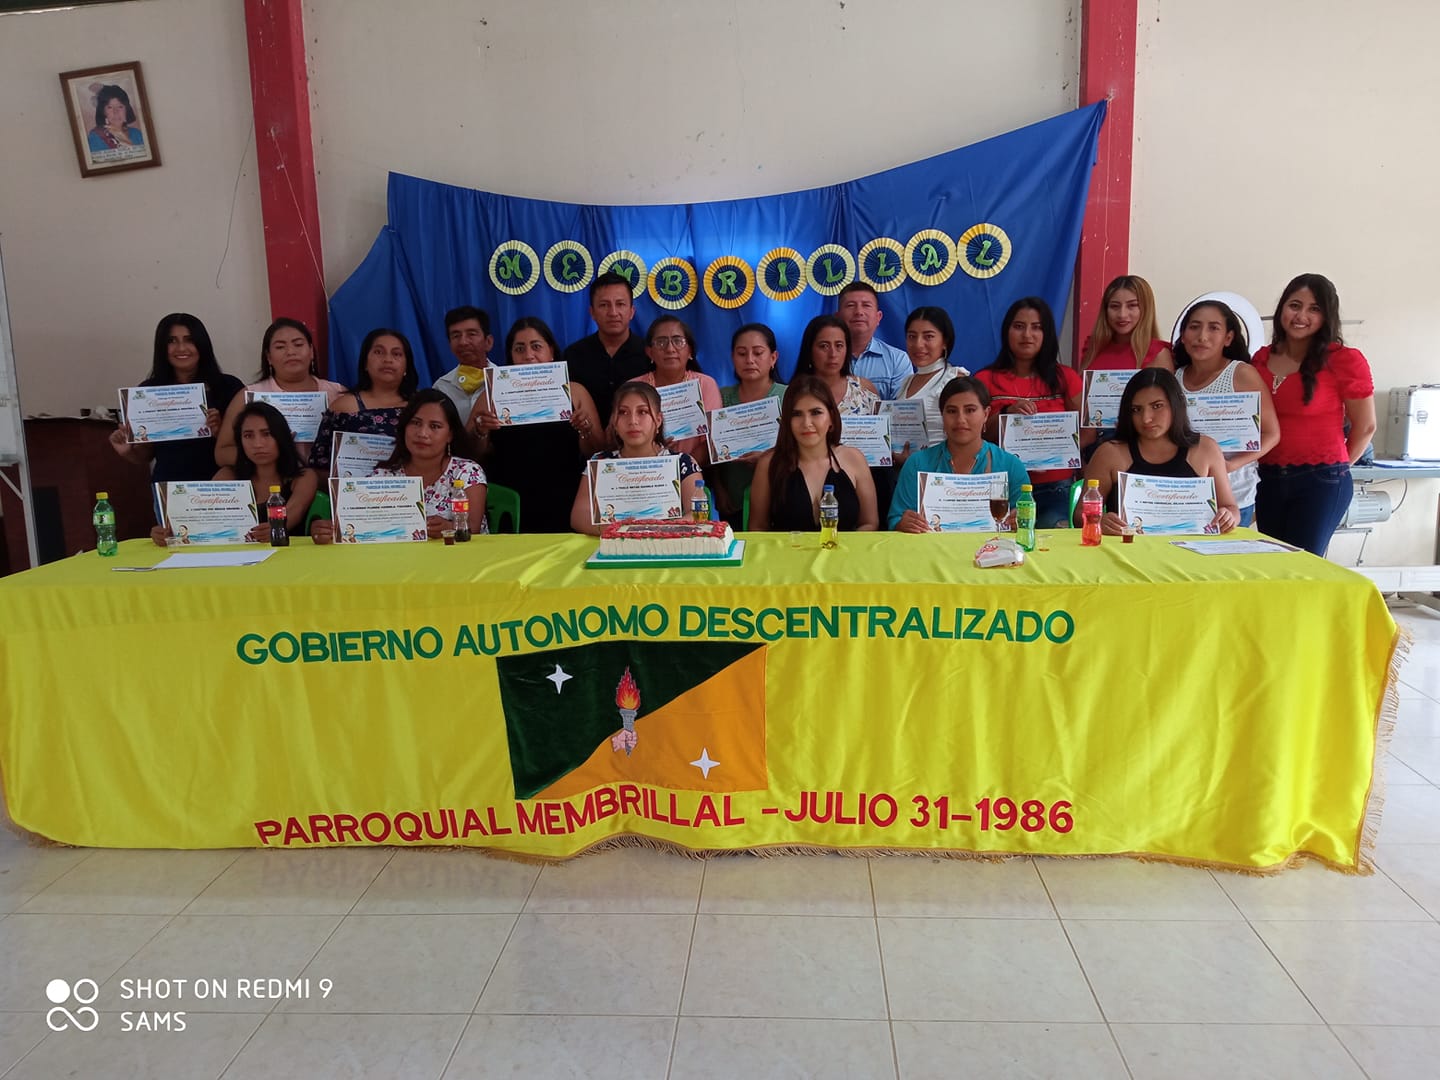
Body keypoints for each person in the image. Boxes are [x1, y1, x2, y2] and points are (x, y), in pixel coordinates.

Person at [1251, 274, 1375, 555]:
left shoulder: (1344, 360)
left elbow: (1366, 426)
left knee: (1304, 567)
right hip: (1269, 479)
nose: (1301, 316)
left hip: (1321, 481)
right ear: (1282, 308)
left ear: (1326, 316)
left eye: (1314, 309)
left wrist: (1336, 470)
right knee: (1272, 566)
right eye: (1295, 305)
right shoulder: (1260, 359)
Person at [470, 317, 605, 533]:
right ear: (511, 356)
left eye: (536, 346)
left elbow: (597, 453)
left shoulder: (575, 392)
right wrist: (480, 431)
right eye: (519, 349)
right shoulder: (492, 395)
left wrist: (585, 430)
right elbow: (472, 457)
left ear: (551, 351)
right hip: (511, 500)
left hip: (565, 497)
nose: (528, 355)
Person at [314, 390, 487, 542]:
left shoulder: (466, 473)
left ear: (450, 435)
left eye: (435, 426)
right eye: (416, 423)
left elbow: (474, 529)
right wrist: (327, 530)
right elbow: (354, 527)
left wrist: (450, 528)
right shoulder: (382, 477)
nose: (422, 433)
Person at [1081, 368, 1239, 534]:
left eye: (1157, 406)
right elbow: (1080, 515)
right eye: (1136, 409)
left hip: (1192, 548)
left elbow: (1231, 507)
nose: (1146, 418)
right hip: (1127, 548)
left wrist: (1229, 517)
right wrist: (1098, 521)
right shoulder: (1109, 453)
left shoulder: (1205, 449)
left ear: (1176, 404)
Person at [976, 297, 1084, 528]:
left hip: (1056, 487)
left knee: (1053, 538)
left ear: (1047, 334)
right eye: (1019, 326)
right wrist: (1006, 413)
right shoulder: (985, 379)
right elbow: (977, 434)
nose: (1027, 335)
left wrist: (1057, 453)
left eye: (1036, 327)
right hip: (1002, 487)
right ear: (1006, 331)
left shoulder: (1066, 377)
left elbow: (1088, 432)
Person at [1171, 299, 1280, 527]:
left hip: (1234, 496)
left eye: (1214, 328)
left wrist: (1231, 465)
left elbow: (1271, 434)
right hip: (1185, 499)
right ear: (1183, 335)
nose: (1202, 336)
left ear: (1228, 338)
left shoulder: (1241, 374)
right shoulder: (1174, 378)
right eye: (1194, 327)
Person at [151, 402, 316, 545]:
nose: (258, 444)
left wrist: (276, 528)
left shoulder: (303, 477)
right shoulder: (227, 476)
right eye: (248, 436)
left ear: (282, 437)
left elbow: (295, 510)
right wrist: (168, 532)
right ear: (240, 442)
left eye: (267, 434)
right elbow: (199, 517)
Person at [109, 313, 244, 487]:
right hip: (169, 487)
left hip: (221, 486)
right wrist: (128, 450)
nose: (181, 348)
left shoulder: (229, 387)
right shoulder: (147, 392)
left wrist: (220, 431)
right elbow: (146, 454)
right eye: (171, 341)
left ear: (202, 344)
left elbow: (249, 445)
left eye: (189, 340)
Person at [891, 377, 1030, 531]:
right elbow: (895, 518)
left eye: (970, 410)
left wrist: (1021, 520)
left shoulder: (1011, 465)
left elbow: (1026, 518)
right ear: (942, 415)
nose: (960, 419)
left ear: (986, 414)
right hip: (932, 546)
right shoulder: (917, 463)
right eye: (952, 411)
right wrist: (903, 523)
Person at [570, 381, 704, 536]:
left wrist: (658, 530)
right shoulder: (600, 462)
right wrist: (616, 529)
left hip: (667, 545)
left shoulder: (683, 463)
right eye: (623, 412)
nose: (632, 421)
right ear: (614, 422)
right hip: (613, 545)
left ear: (658, 420)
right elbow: (578, 516)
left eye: (643, 412)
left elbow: (698, 514)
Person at [749, 376, 878, 532]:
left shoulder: (854, 459)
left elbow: (869, 523)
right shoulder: (769, 463)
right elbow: (757, 527)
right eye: (796, 414)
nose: (806, 423)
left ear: (831, 417)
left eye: (816, 412)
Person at [215, 318, 347, 468]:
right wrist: (264, 455)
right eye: (280, 347)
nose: (291, 352)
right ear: (269, 357)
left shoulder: (338, 394)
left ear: (311, 351)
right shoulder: (248, 396)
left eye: (298, 344)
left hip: (326, 479)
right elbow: (222, 452)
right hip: (272, 479)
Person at [307, 328, 418, 477]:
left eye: (396, 354)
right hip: (352, 489)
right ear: (365, 363)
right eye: (378, 352)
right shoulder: (343, 407)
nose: (387, 359)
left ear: (407, 367)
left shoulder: (421, 407)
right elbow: (319, 465)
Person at [713, 323, 787, 524]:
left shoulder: (789, 396)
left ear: (773, 358)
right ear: (732, 358)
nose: (750, 360)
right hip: (732, 499)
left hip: (781, 497)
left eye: (758, 353)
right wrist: (719, 491)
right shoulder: (720, 397)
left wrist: (768, 459)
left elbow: (802, 449)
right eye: (742, 353)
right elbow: (712, 453)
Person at [562, 272, 650, 421]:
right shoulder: (573, 355)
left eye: (620, 304)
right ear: (592, 313)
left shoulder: (650, 354)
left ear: (631, 311)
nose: (613, 313)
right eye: (604, 305)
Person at [636, 316, 723, 465]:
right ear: (650, 352)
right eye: (661, 342)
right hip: (644, 468)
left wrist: (683, 469)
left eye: (678, 341)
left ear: (690, 351)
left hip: (693, 470)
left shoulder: (705, 384)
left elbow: (712, 439)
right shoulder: (634, 387)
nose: (670, 349)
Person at [898, 306, 970, 454]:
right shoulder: (906, 382)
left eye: (928, 336)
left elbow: (967, 435)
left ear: (945, 342)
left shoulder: (955, 379)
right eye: (912, 336)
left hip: (942, 466)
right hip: (906, 466)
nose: (918, 344)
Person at [1080, 275, 1174, 372]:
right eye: (1115, 306)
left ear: (1146, 309)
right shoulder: (1093, 347)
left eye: (1132, 305)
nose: (1122, 314)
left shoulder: (1158, 353)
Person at [837, 281, 911, 400]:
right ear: (838, 317)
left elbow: (901, 409)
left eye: (866, 305)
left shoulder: (897, 360)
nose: (859, 312)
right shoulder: (824, 357)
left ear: (878, 317)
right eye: (850, 305)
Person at [794, 315, 879, 416]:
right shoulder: (796, 392)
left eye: (839, 345)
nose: (833, 354)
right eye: (824, 346)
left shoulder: (865, 390)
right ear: (809, 349)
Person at [433, 306, 495, 421]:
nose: (463, 342)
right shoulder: (441, 387)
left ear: (488, 342)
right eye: (456, 336)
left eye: (471, 334)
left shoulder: (507, 382)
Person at [87, 85, 145, 155]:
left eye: (120, 107)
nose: (116, 112)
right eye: (110, 107)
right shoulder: (95, 137)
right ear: (103, 111)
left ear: (126, 109)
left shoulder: (137, 134)